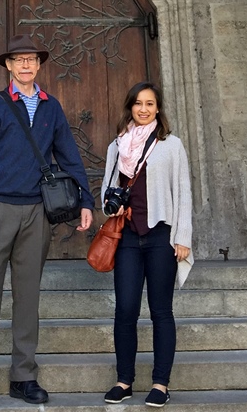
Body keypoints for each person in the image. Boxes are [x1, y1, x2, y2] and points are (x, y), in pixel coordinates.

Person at [0, 34, 94, 410]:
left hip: (37, 211)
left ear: (39, 64)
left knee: (28, 297)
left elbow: (69, 155)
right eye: (18, 60)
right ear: (8, 66)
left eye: (31, 59)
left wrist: (86, 199)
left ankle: (24, 376)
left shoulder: (51, 107)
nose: (26, 65)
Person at [100, 81, 192, 407]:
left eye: (150, 104)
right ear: (130, 106)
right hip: (126, 237)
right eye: (138, 103)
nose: (143, 109)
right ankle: (124, 381)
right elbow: (107, 191)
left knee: (161, 311)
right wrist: (112, 206)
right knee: (125, 310)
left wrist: (183, 238)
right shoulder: (117, 146)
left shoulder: (171, 145)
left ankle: (160, 384)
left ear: (158, 108)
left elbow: (183, 193)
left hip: (159, 237)